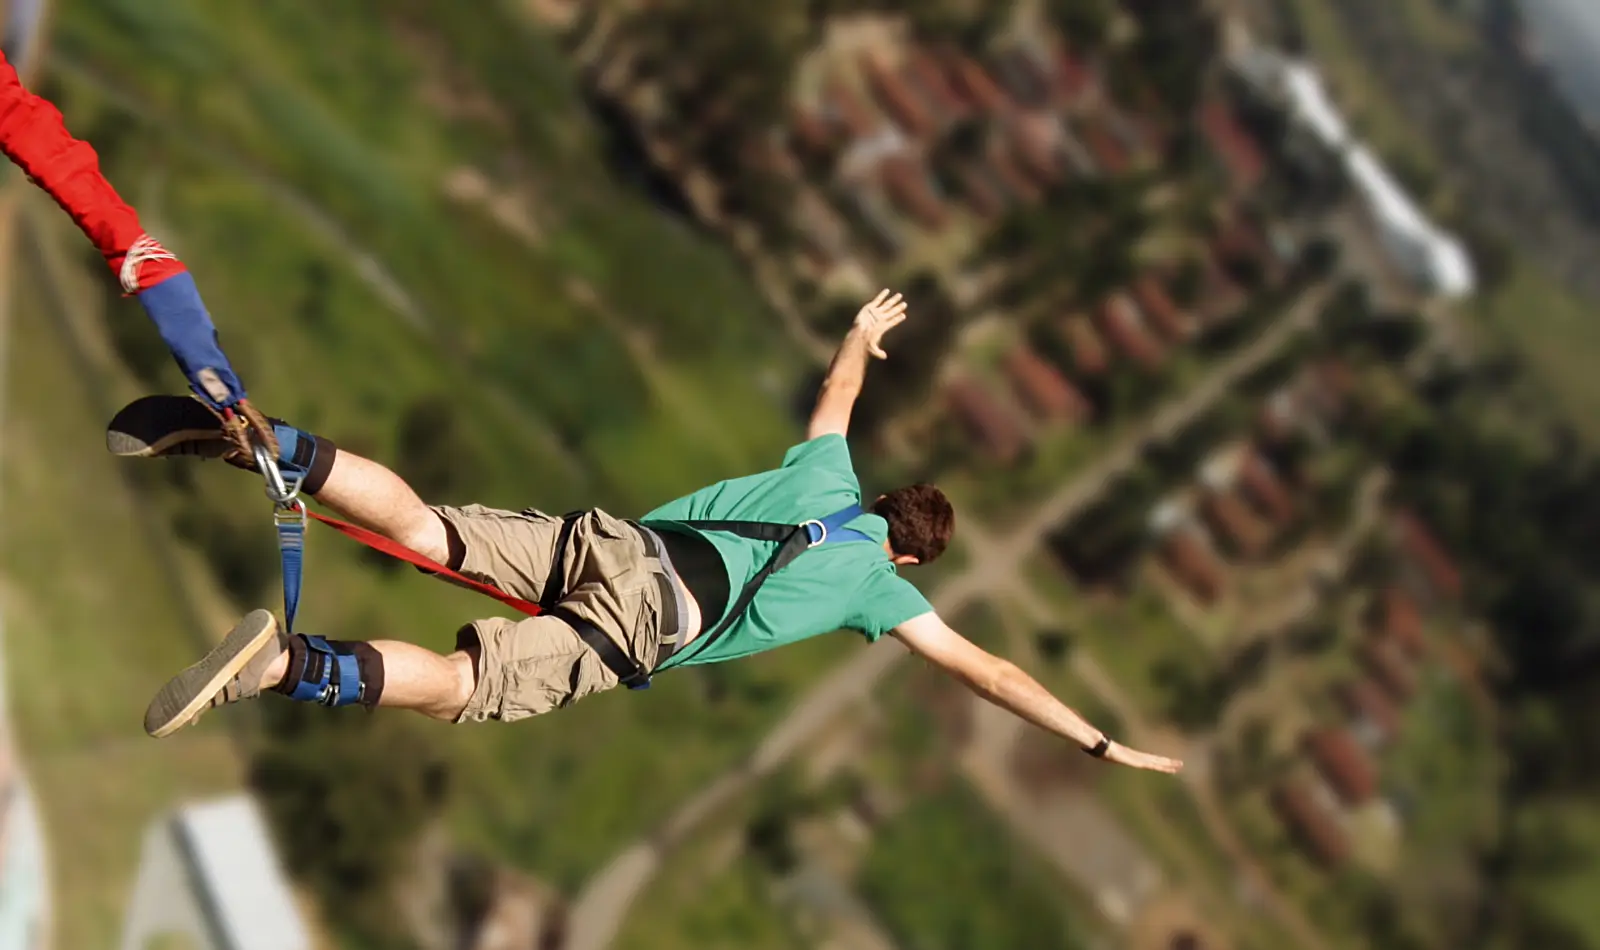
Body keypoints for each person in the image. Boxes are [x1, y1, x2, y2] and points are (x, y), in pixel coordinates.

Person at [115, 290, 1182, 775]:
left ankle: (282, 447)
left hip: (614, 542)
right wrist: (1100, 738)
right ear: (907, 554)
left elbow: (837, 390)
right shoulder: (882, 591)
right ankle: (281, 666)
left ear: (883, 498)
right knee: (460, 682)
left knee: (430, 526)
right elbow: (990, 671)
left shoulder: (828, 470)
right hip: (646, 620)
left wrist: (861, 330)